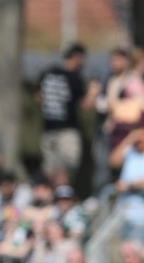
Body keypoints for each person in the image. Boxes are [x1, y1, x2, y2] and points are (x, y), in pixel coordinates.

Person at [37, 43, 99, 181]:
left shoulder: (48, 73)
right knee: (67, 167)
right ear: (77, 57)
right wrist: (93, 92)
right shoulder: (74, 78)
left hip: (48, 129)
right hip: (67, 130)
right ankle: (62, 196)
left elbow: (39, 97)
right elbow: (86, 105)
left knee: (51, 169)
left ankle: (56, 196)